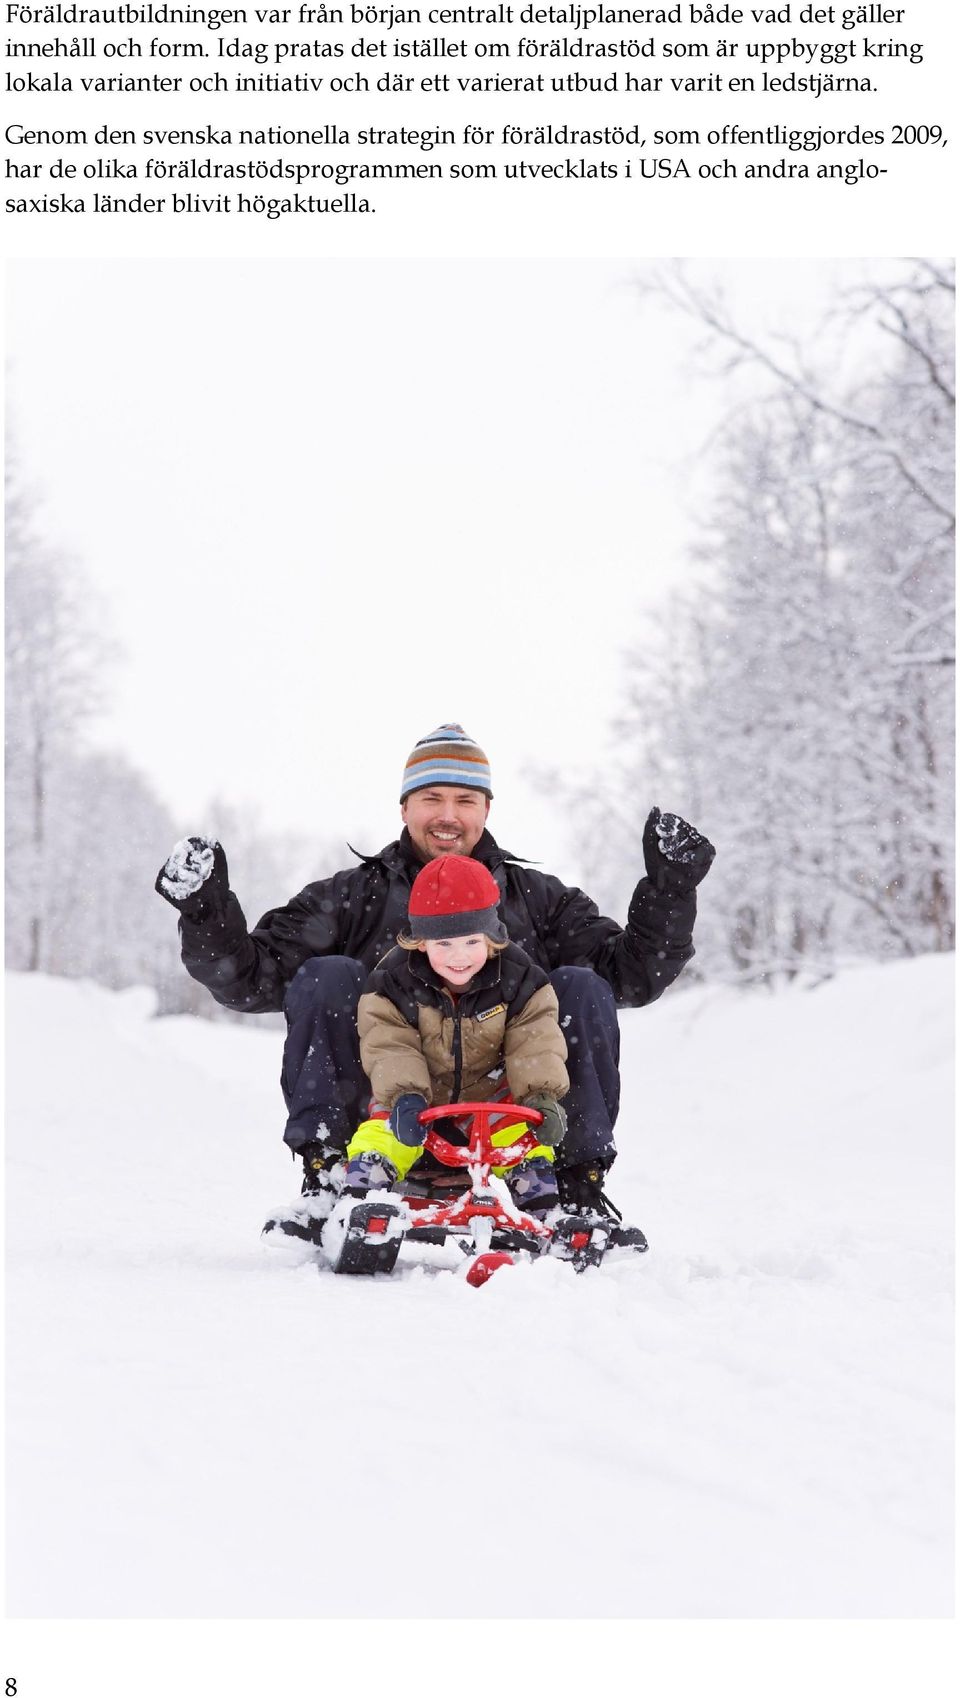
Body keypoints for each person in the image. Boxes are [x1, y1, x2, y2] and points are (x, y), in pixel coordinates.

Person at [155, 722, 715, 1230]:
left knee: (582, 987)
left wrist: (670, 892)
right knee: (326, 975)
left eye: (464, 800)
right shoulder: (353, 898)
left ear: (486, 810)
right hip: (381, 1120)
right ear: (404, 808)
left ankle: (575, 1188)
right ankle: (331, 1180)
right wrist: (205, 912)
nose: (448, 814)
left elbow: (632, 977)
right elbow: (249, 979)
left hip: (509, 1125)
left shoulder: (536, 902)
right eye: (432, 798)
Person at [344, 851, 568, 1218]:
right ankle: (363, 1197)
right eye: (444, 944)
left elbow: (535, 1040)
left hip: (489, 1097)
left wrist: (541, 1095)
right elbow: (389, 1044)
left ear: (491, 938)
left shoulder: (520, 978)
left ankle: (542, 1205)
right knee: (384, 1133)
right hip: (418, 1097)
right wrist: (405, 1095)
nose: (458, 957)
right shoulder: (392, 983)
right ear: (421, 943)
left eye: (471, 942)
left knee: (522, 1136)